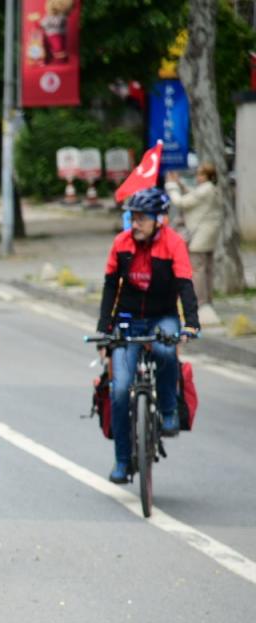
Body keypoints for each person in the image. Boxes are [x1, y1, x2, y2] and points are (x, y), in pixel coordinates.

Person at [97, 187, 200, 484]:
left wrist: (190, 324)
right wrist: (104, 329)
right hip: (128, 319)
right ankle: (121, 460)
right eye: (133, 217)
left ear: (159, 220)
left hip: (162, 317)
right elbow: (108, 287)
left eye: (142, 218)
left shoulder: (173, 244)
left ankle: (168, 411)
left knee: (167, 352)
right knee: (119, 390)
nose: (135, 223)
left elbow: (185, 286)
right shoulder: (121, 243)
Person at [165, 163, 222, 319]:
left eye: (201, 175)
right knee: (207, 270)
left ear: (209, 176)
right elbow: (193, 195)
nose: (198, 178)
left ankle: (200, 303)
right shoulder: (210, 188)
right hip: (208, 236)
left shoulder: (205, 189)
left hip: (200, 237)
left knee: (198, 270)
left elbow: (181, 202)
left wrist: (171, 186)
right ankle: (207, 302)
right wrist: (180, 184)